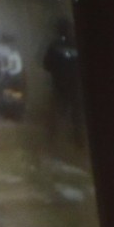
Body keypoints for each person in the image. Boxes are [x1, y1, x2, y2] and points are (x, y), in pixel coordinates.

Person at [43, 17, 84, 147]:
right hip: (74, 86)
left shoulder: (54, 45)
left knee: (58, 114)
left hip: (60, 86)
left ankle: (52, 142)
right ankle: (78, 142)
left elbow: (47, 65)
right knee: (76, 115)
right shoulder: (77, 44)